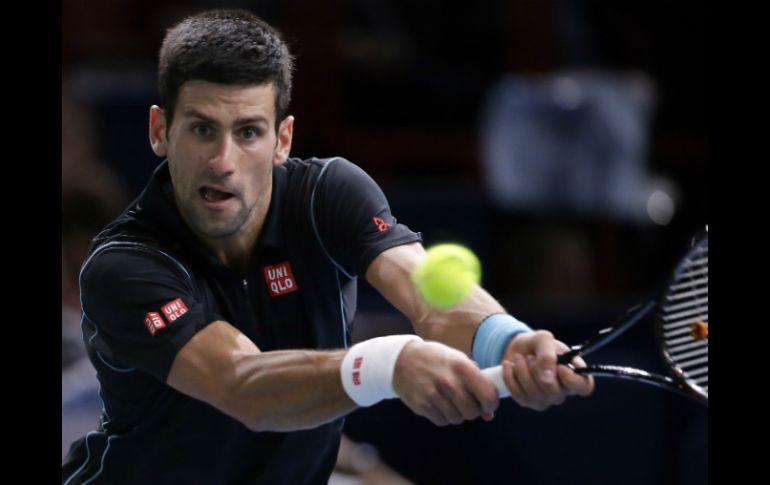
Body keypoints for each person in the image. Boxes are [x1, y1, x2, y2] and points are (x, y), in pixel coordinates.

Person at [62, 9, 593, 484]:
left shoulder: (327, 194)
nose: (223, 160)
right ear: (160, 130)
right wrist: (390, 363)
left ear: (283, 139)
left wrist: (507, 342)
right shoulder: (124, 265)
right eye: (202, 129)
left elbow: (423, 288)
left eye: (248, 132)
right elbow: (242, 385)